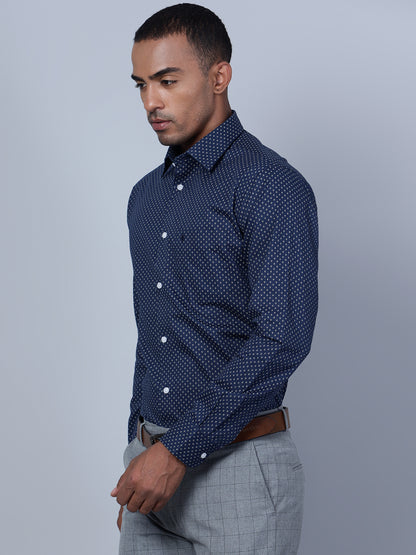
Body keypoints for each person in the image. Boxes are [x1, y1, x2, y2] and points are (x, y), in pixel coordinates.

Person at [111, 3, 318, 554]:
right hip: (151, 471)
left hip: (239, 472)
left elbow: (282, 338)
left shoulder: (271, 185)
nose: (151, 102)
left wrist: (176, 451)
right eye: (141, 85)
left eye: (167, 81)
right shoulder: (144, 197)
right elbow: (155, 337)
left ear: (219, 76)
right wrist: (137, 452)